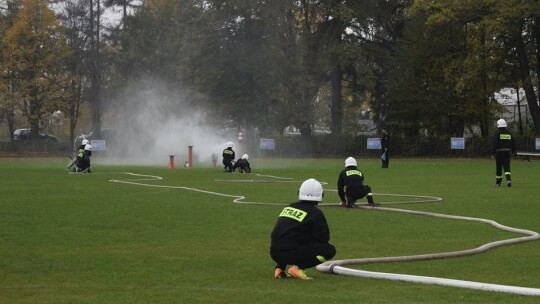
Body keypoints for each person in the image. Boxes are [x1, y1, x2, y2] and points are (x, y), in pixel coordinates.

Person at [270, 178, 336, 280]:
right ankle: (297, 268)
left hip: (274, 253)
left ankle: (279, 269)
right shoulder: (315, 213)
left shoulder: (289, 207)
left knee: (288, 240)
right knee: (329, 250)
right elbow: (323, 239)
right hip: (291, 253)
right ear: (320, 195)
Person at [492, 119, 516, 187]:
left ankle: (498, 183)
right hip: (507, 153)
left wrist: (493, 152)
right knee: (507, 168)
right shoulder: (509, 134)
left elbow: (495, 144)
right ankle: (508, 180)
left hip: (499, 153)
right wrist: (513, 151)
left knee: (499, 168)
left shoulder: (497, 134)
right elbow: (513, 143)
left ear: (498, 125)